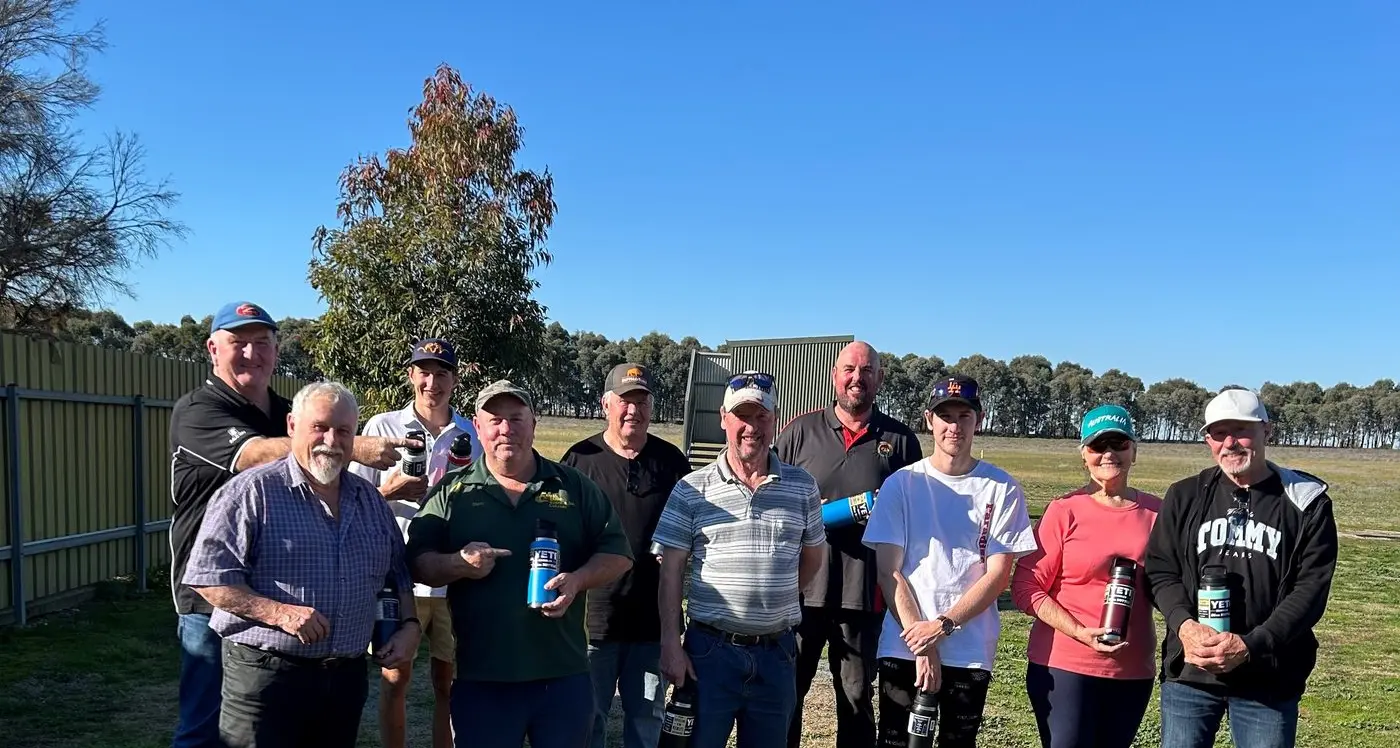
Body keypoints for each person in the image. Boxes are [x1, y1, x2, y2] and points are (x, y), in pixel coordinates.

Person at [167, 301, 407, 748]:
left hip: (299, 606)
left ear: (277, 353)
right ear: (212, 349)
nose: (251, 354)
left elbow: (321, 484)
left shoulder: (282, 408)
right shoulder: (199, 409)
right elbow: (256, 456)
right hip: (210, 592)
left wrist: (377, 493)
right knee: (207, 728)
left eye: (262, 344)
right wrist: (350, 448)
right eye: (238, 343)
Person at [406, 379, 635, 748]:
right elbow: (417, 563)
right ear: (477, 427)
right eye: (495, 420)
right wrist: (457, 564)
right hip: (484, 677)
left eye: (516, 418)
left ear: (534, 423)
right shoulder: (454, 491)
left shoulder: (572, 486)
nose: (506, 429)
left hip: (563, 675)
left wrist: (577, 580)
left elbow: (618, 554)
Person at [1145, 388, 1339, 748]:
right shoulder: (1185, 495)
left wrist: (1253, 645)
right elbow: (1160, 570)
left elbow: (1310, 591)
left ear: (1267, 431)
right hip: (1192, 672)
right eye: (1219, 433)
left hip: (1268, 674)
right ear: (1207, 440)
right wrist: (1185, 627)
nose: (1230, 443)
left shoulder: (1306, 502)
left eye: (1242, 430)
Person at [653, 370, 828, 748]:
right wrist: (671, 641)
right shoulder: (691, 489)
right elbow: (670, 572)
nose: (752, 427)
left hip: (776, 655)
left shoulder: (802, 487)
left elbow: (814, 556)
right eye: (742, 416)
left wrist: (775, 598)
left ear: (775, 419)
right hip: (709, 654)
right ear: (724, 419)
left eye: (761, 416)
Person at [862, 375, 1038, 748]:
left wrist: (941, 627)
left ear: (980, 419)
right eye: (945, 416)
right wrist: (922, 644)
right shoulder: (902, 484)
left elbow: (998, 574)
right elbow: (888, 571)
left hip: (970, 649)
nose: (954, 426)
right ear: (929, 419)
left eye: (964, 415)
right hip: (904, 643)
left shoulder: (1001, 487)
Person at [776, 341, 922, 748]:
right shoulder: (799, 431)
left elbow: (914, 516)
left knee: (856, 696)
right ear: (834, 375)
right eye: (849, 370)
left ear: (880, 378)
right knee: (788, 692)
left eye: (867, 370)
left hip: (864, 595)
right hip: (801, 593)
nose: (858, 378)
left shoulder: (901, 440)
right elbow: (771, 499)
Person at [349, 338, 483, 748]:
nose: (432, 382)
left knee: (449, 682)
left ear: (455, 380)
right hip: (396, 577)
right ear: (410, 376)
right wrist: (389, 491)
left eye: (442, 373)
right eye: (424, 372)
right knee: (395, 679)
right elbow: (351, 501)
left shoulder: (469, 436)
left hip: (449, 577)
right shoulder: (382, 429)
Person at [1010, 404, 1162, 748]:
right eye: (1097, 446)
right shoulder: (1064, 510)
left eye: (1119, 444)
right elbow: (1026, 587)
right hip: (1065, 666)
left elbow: (1169, 585)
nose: (1109, 454)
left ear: (1134, 450)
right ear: (1084, 455)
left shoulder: (1158, 513)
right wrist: (1079, 632)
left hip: (1132, 669)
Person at [560, 363, 693, 748]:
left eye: (642, 400)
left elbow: (690, 531)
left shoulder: (672, 463)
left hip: (652, 622)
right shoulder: (579, 460)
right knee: (588, 719)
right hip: (592, 621)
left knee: (646, 722)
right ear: (606, 404)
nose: (633, 409)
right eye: (625, 400)